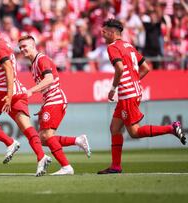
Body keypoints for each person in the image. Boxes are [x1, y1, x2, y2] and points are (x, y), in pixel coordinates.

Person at [97, 19, 186, 174]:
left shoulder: (112, 47)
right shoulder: (129, 46)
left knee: (134, 132)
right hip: (134, 91)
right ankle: (115, 166)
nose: (102, 34)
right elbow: (146, 68)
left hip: (127, 95)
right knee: (115, 128)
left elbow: (119, 68)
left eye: (104, 32)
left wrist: (113, 89)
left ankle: (171, 128)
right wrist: (133, 81)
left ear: (112, 33)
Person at [0, 21, 52, 177]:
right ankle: (41, 157)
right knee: (27, 128)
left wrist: (8, 95)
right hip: (16, 89)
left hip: (5, 91)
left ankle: (10, 142)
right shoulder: (3, 43)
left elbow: (8, 68)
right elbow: (6, 70)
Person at [18, 35, 91, 175]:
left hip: (55, 99)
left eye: (25, 46)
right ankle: (77, 140)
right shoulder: (33, 64)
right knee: (43, 139)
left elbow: (49, 79)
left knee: (46, 135)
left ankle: (66, 167)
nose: (22, 49)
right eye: (20, 47)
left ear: (33, 45)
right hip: (50, 100)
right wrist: (43, 106)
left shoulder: (42, 59)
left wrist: (31, 91)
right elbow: (46, 86)